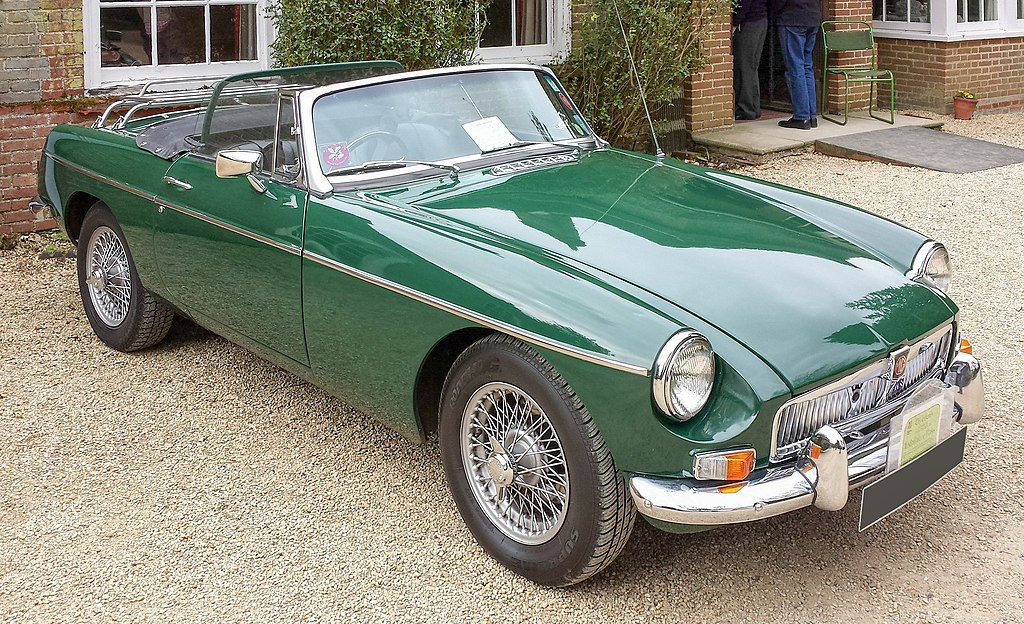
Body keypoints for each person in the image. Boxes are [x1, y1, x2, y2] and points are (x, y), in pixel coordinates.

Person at [769, 0, 821, 129]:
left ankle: (802, 117)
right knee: (807, 67)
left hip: (792, 18)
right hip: (813, 17)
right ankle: (811, 116)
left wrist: (772, 13)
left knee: (795, 68)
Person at [733, 0, 768, 120]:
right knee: (751, 67)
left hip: (749, 22)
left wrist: (735, 22)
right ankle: (753, 107)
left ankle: (746, 109)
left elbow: (744, 3)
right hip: (760, 20)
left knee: (744, 66)